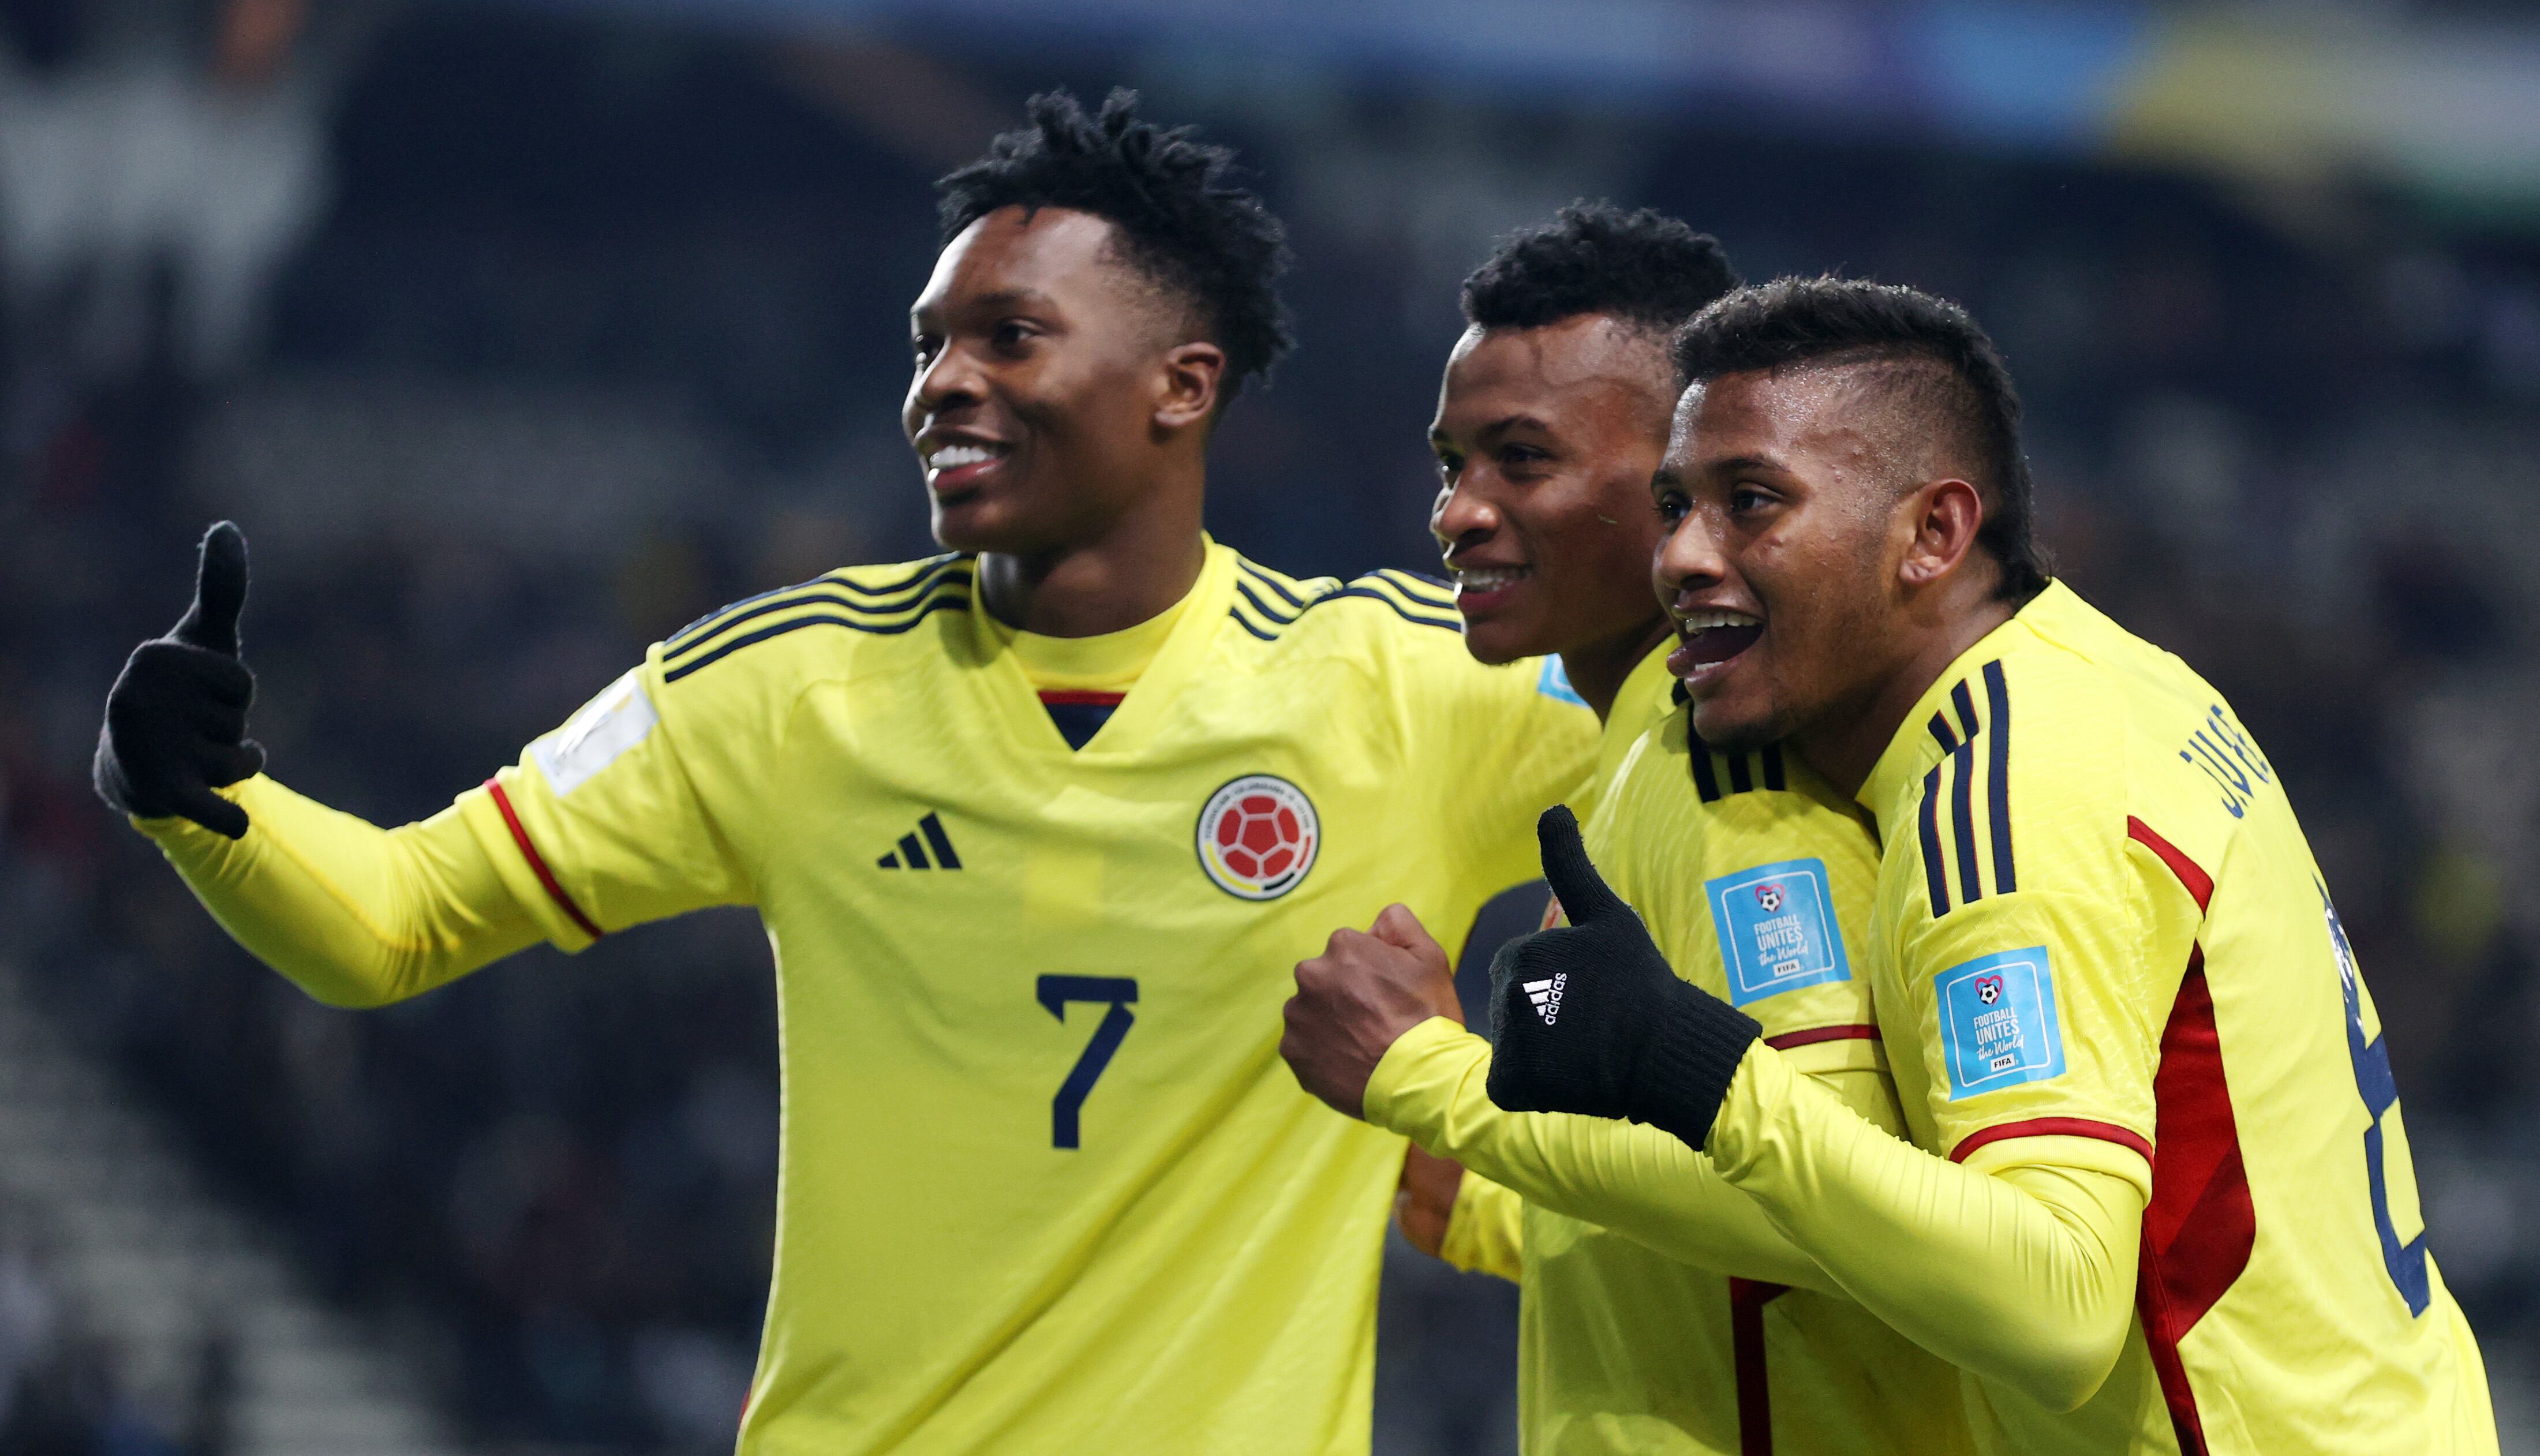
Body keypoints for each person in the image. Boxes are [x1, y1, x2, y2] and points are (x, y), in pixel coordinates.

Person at [90, 90, 1600, 1456]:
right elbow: (395, 919)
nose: (942, 383)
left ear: (1180, 384)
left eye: (1008, 336)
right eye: (928, 344)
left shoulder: (1414, 690)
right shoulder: (786, 688)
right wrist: (204, 801)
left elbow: (1708, 759)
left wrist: (1551, 1062)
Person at [1479, 277, 2498, 1454]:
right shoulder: (2113, 680)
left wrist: (1685, 1063)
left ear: (1933, 534)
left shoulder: (2001, 794)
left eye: (1751, 502)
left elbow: (2057, 1304)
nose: (1681, 557)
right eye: (1674, 505)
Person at [1282, 207, 1970, 1454]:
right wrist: (1478, 1192)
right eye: (1451, 464)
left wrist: (1436, 1083)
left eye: (1520, 460)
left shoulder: (1726, 765)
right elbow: (1682, 1186)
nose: (1457, 513)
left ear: (1679, 481)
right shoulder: (1633, 755)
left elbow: (1832, 1201)